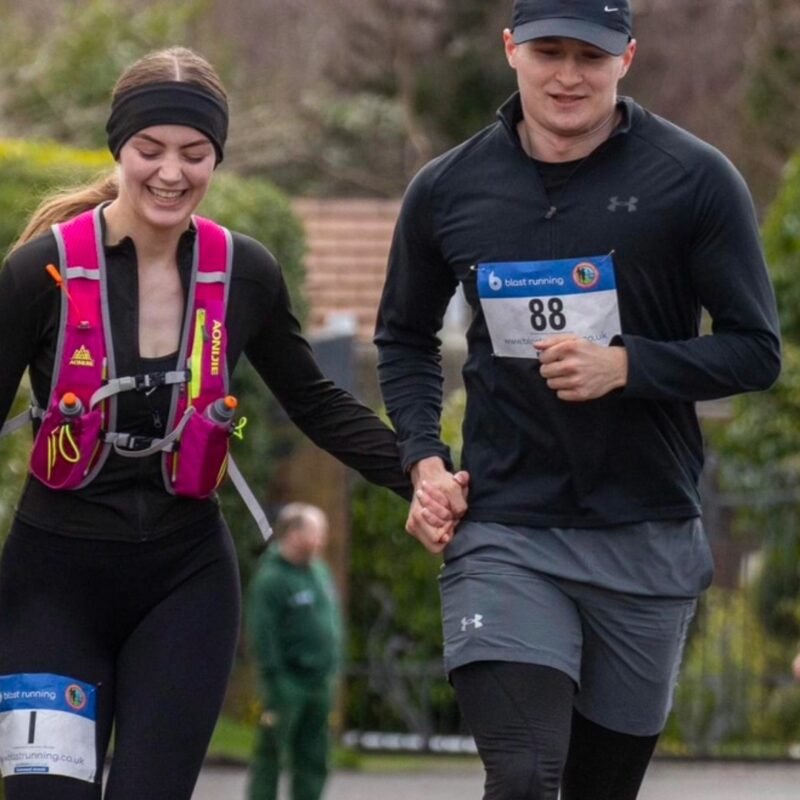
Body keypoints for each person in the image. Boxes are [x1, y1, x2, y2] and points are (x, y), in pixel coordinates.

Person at [0, 47, 463, 800]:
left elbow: (316, 402)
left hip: (184, 585)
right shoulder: (39, 273)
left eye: (195, 153)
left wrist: (423, 472)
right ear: (118, 147)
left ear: (217, 157)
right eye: (150, 149)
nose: (171, 173)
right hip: (51, 585)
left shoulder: (243, 272)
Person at [375, 0, 781, 798]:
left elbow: (755, 350)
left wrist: (626, 367)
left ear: (626, 58)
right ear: (511, 50)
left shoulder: (694, 180)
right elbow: (404, 338)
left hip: (645, 531)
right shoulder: (449, 188)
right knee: (525, 774)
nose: (568, 76)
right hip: (505, 528)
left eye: (590, 57)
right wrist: (424, 460)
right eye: (548, 52)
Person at [246, 503, 341, 800]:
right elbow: (262, 632)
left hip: (320, 680)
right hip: (287, 681)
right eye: (316, 532)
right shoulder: (272, 578)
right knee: (272, 751)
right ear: (294, 533)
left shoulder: (320, 571)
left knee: (314, 755)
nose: (322, 540)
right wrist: (274, 676)